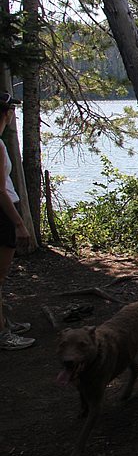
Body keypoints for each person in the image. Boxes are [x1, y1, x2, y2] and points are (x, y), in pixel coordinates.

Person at [0, 93, 34, 349]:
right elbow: (0, 191)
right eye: (11, 110)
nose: (13, 115)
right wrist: (19, 223)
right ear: (6, 114)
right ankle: (3, 334)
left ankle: (4, 323)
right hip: (2, 216)